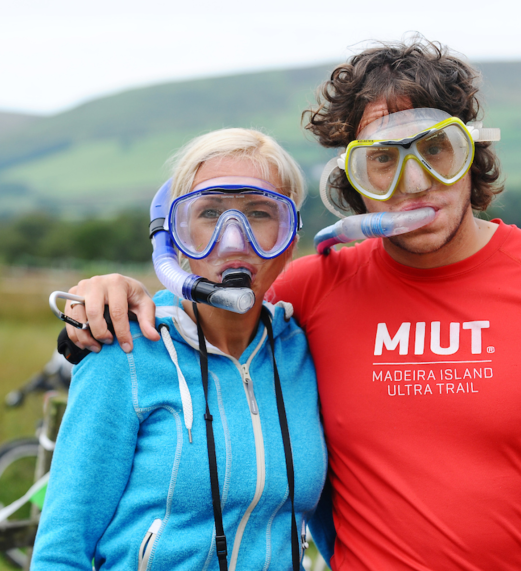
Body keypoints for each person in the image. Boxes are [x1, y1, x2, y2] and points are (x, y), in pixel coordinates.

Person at [63, 41, 521, 570]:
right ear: (350, 183)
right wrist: (109, 294)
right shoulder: (311, 288)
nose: (413, 184)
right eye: (382, 161)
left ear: (473, 155)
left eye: (436, 150)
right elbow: (202, 316)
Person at [31, 128, 329, 570]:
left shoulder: (302, 352)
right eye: (209, 213)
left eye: (261, 213)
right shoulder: (127, 349)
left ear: (290, 239)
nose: (234, 240)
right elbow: (60, 552)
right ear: (174, 235)